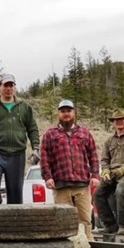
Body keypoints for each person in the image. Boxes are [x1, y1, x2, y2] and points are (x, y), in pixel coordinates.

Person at [40, 100, 100, 240]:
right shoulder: (50, 134)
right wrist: (48, 177)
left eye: (69, 111)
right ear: (59, 114)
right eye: (63, 111)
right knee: (63, 222)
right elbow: (44, 158)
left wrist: (95, 175)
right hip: (61, 186)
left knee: (85, 220)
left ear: (74, 113)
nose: (66, 114)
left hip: (82, 185)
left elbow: (93, 155)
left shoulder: (84, 133)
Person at [0, 73, 40, 204]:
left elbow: (32, 129)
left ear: (14, 87)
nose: (8, 88)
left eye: (11, 85)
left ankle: (14, 222)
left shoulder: (24, 107)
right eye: (5, 85)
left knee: (16, 192)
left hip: (17, 154)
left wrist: (36, 148)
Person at [93, 109, 124, 235]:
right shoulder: (109, 140)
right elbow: (104, 159)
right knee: (97, 194)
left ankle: (123, 225)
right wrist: (105, 171)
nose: (119, 122)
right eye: (116, 120)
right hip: (112, 173)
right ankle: (110, 224)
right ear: (113, 123)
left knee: (120, 192)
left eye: (122, 119)